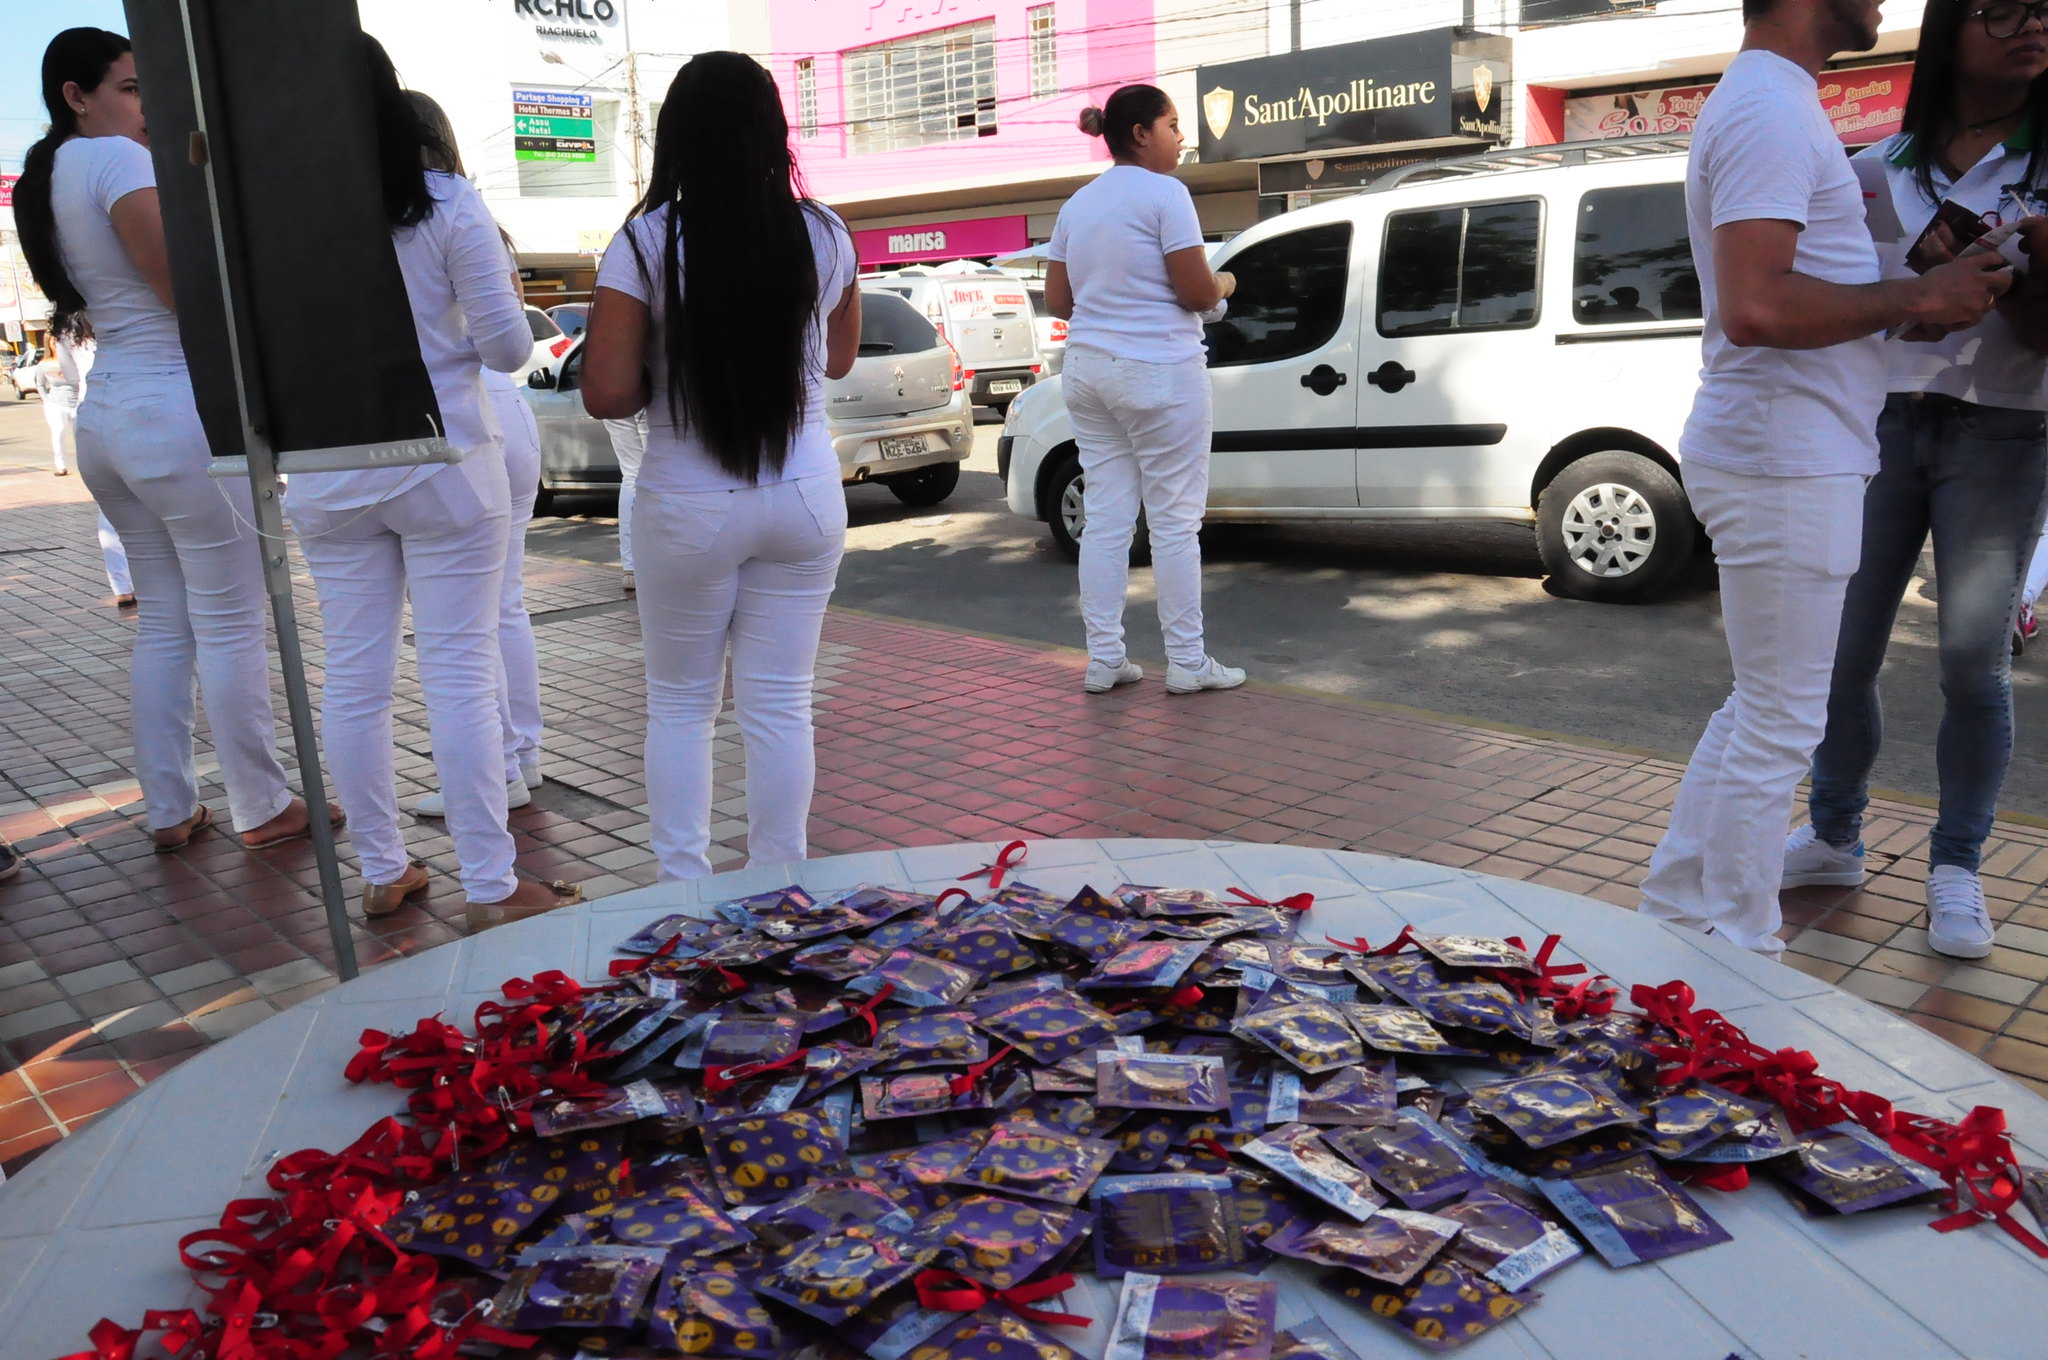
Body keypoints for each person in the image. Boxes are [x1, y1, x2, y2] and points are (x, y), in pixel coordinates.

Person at [1636, 0, 2009, 955]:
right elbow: (1759, 304)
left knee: (1760, 706)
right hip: (1784, 453)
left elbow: (1782, 288)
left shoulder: (1772, 98)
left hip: (1785, 447)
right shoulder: (1769, 108)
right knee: (1781, 721)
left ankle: (1680, 908)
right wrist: (1916, 291)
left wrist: (1904, 291)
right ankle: (1740, 944)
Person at [284, 39, 578, 929]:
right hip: (445, 459)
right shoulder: (446, 203)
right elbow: (507, 349)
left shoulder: (278, 219)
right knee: (457, 668)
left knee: (357, 677)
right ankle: (491, 881)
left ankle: (383, 867)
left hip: (329, 468)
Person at [15, 28, 326, 853]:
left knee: (166, 620)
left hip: (111, 414)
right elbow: (181, 288)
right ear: (76, 97)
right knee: (229, 619)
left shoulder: (52, 175)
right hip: (173, 412)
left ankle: (168, 806)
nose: (146, 108)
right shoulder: (116, 161)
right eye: (128, 89)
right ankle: (262, 806)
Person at [1784, 0, 2048, 958]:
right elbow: (1833, 303)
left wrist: (2024, 284)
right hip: (1882, 423)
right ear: (1950, 30)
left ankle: (1957, 867)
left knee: (1972, 663)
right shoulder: (1870, 169)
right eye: (2005, 7)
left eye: (2045, 9)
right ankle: (1834, 833)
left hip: (2005, 429)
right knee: (1841, 649)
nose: (2033, 25)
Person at [581, 51, 858, 881]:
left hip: (687, 501)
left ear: (678, 140)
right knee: (780, 704)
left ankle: (680, 900)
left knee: (681, 706)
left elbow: (603, 393)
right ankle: (782, 888)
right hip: (805, 496)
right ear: (773, 130)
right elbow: (838, 363)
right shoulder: (827, 233)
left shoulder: (645, 241)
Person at [1043, 84, 1243, 696]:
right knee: (1176, 523)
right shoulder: (1166, 194)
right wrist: (1228, 280)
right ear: (1140, 133)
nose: (1182, 138)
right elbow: (1199, 294)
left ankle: (1105, 659)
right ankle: (1187, 663)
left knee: (1106, 519)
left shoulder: (1077, 204)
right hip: (1159, 371)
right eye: (1174, 125)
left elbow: (1058, 301)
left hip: (1087, 370)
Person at [401, 92, 543, 818]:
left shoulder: (403, 217)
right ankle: (524, 755)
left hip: (457, 421)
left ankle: (500, 774)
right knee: (502, 604)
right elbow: (509, 338)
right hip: (509, 413)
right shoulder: (479, 218)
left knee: (460, 623)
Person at [606, 413, 647, 592]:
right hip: (652, 396)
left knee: (631, 475)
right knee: (661, 473)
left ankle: (630, 567)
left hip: (614, 396)